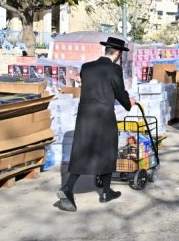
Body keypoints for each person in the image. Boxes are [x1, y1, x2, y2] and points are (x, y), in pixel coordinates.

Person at [57, 37, 135, 212]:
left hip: (85, 115)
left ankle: (69, 186)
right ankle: (105, 191)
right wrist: (129, 103)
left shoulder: (87, 67)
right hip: (103, 115)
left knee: (83, 150)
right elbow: (119, 91)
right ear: (118, 53)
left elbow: (92, 87)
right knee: (108, 150)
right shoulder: (114, 69)